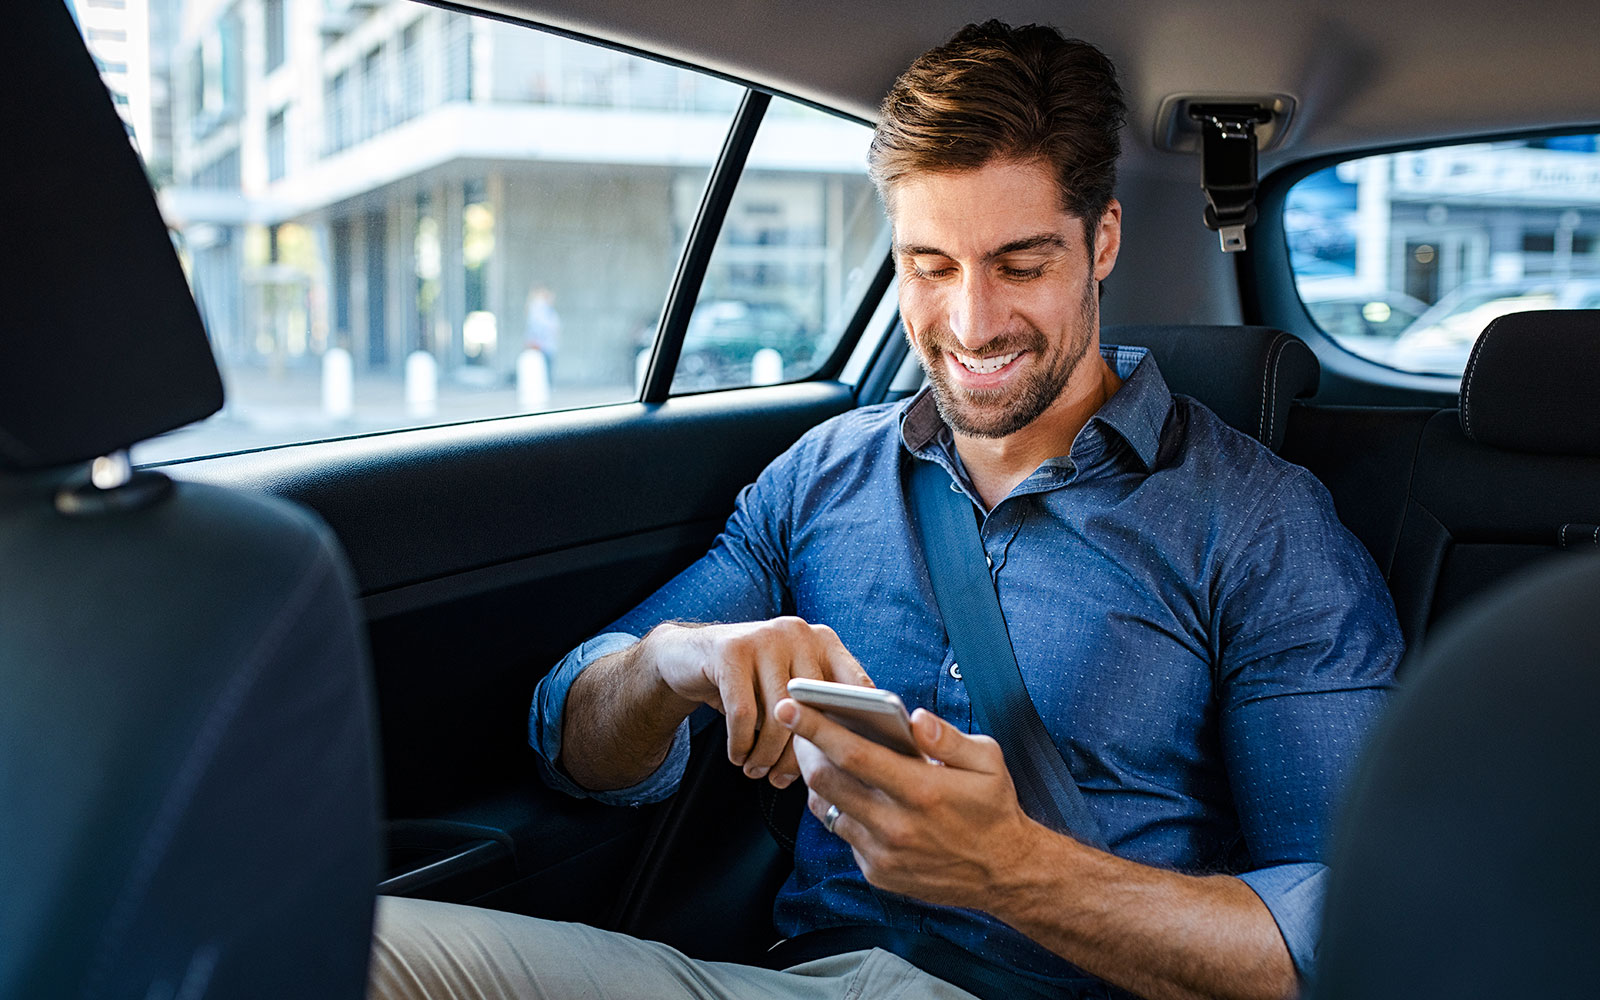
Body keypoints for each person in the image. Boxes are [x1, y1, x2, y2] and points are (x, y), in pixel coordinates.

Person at [370, 20, 1402, 1000]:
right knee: (351, 941)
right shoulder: (824, 476)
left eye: (1020, 264)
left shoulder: (1259, 526)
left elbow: (1343, 940)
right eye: (930, 265)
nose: (971, 320)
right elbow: (575, 745)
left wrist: (1010, 869)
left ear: (1101, 243)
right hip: (797, 979)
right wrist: (673, 661)